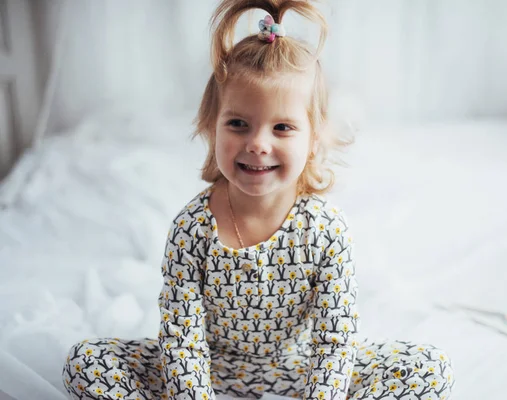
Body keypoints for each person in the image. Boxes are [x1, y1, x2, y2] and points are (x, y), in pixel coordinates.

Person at [63, 1, 454, 399]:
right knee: (87, 360)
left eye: (282, 127)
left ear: (313, 139)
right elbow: (182, 341)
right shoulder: (191, 228)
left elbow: (334, 344)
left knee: (428, 365)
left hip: (300, 369)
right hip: (209, 368)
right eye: (238, 124)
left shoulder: (326, 231)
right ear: (211, 128)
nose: (257, 144)